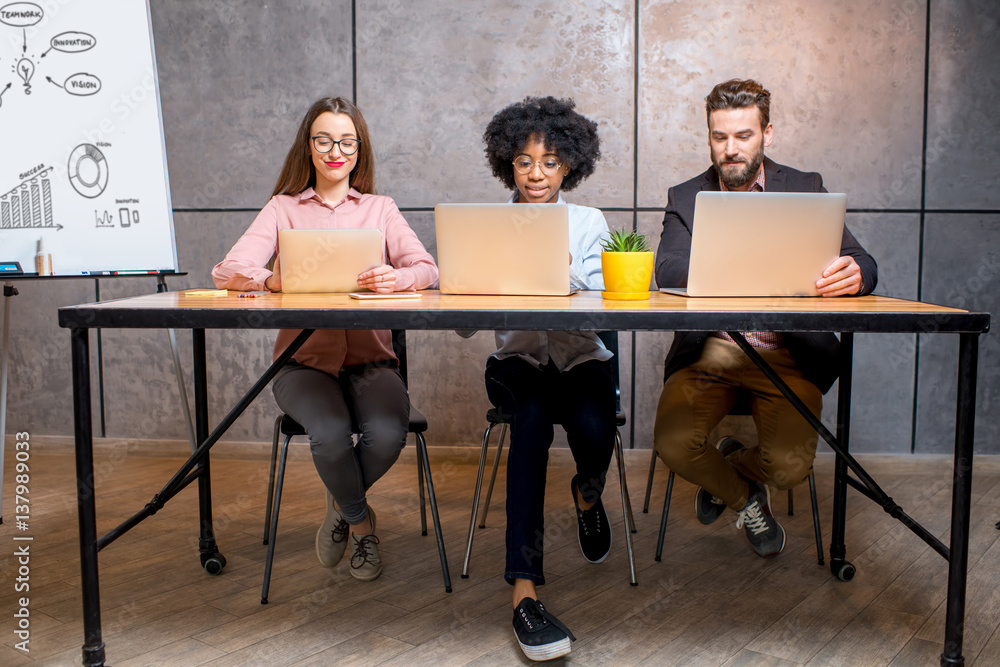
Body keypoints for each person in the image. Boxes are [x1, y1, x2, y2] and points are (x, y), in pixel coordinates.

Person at [212, 96, 438, 582]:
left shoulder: (381, 209)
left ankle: (340, 505)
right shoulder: (283, 208)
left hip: (372, 364)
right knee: (330, 435)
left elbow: (427, 269)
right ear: (308, 147)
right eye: (324, 139)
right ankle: (360, 522)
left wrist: (395, 279)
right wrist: (273, 280)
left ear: (359, 150)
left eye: (346, 141)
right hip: (302, 365)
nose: (335, 150)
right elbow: (226, 270)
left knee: (387, 434)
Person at [653, 79, 878, 559]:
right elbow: (668, 269)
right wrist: (766, 264)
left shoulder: (804, 187)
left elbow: (864, 262)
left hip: (788, 353)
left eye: (743, 136)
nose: (730, 149)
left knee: (789, 469)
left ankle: (737, 465)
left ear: (767, 134)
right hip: (710, 352)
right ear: (709, 136)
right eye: (720, 137)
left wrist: (855, 273)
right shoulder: (686, 195)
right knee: (673, 446)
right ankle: (743, 496)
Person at [475, 96, 615, 662]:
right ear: (508, 162)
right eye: (525, 161)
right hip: (519, 364)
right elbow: (462, 327)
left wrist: (553, 273)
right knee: (530, 424)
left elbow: (609, 303)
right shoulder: (486, 228)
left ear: (570, 167)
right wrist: (476, 283)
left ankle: (587, 493)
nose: (537, 173)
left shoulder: (590, 224)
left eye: (551, 161)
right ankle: (524, 591)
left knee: (593, 424)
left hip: (582, 359)